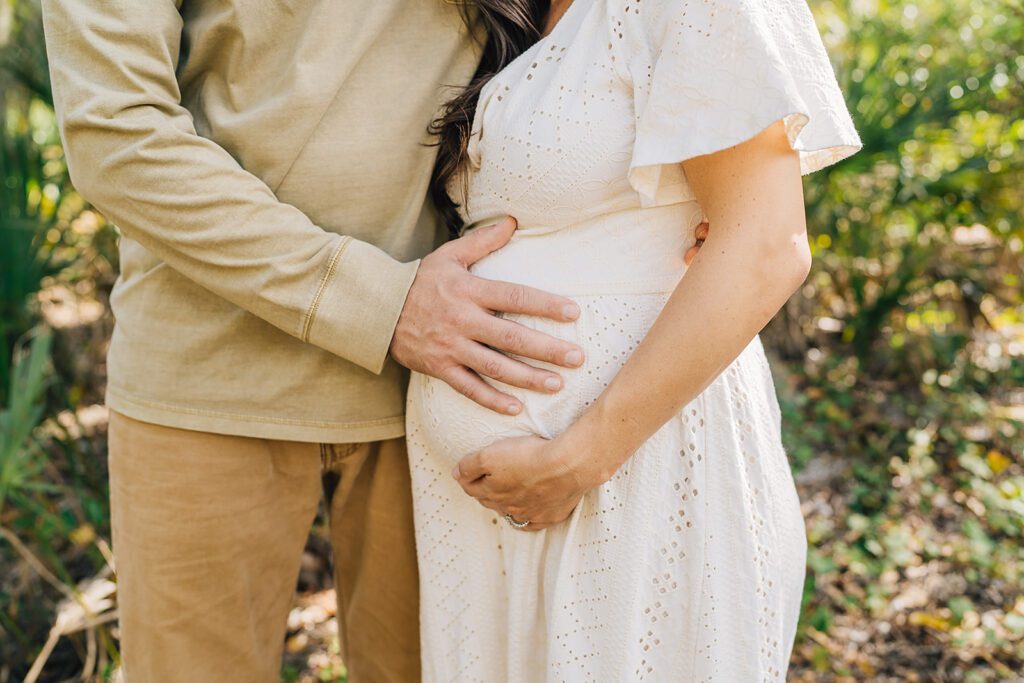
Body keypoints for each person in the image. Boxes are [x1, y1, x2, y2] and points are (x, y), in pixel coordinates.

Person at [41, 1, 708, 680]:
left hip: (447, 385)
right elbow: (116, 134)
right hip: (211, 376)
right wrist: (379, 304)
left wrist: (697, 192)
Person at [406, 0, 862, 680]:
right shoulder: (521, 15)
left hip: (633, 480)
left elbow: (768, 244)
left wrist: (580, 458)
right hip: (491, 521)